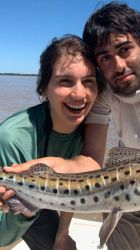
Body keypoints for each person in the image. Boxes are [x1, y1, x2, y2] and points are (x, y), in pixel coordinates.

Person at [1, 2, 140, 250]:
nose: (118, 65)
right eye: (105, 57)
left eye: (125, 49)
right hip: (122, 176)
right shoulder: (102, 88)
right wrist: (56, 166)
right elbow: (92, 159)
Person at [0, 35, 103, 250]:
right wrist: (26, 210)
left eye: (89, 82)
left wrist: (62, 236)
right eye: (65, 81)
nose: (80, 93)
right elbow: (4, 236)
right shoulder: (12, 138)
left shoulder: (90, 129)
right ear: (44, 88)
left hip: (44, 200)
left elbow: (76, 189)